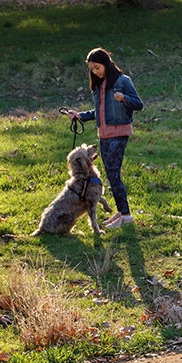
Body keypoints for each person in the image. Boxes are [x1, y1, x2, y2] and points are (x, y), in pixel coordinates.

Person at [62, 48, 143, 229]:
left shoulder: (123, 81)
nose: (95, 72)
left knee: (114, 175)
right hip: (104, 135)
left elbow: (139, 104)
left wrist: (124, 99)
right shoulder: (99, 86)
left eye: (97, 67)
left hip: (119, 134)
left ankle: (127, 216)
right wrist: (79, 116)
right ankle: (122, 212)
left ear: (106, 63)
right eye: (92, 69)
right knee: (111, 175)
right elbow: (97, 112)